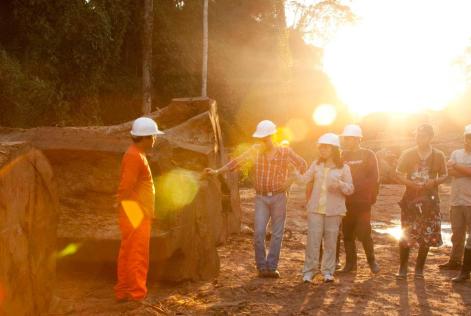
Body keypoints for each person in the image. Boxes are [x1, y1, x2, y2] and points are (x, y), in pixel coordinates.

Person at [205, 120, 307, 278]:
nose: (262, 141)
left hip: (279, 197)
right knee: (259, 233)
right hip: (261, 198)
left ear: (272, 136)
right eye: (260, 138)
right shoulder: (255, 150)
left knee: (277, 234)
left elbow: (302, 164)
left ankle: (271, 268)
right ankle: (261, 267)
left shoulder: (285, 152)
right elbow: (237, 162)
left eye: (265, 138)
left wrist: (289, 182)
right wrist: (217, 171)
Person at [114, 117, 164, 302]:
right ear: (145, 138)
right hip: (136, 211)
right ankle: (136, 294)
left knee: (128, 251)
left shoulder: (135, 153)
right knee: (138, 253)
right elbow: (127, 185)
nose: (154, 140)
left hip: (134, 209)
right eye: (153, 137)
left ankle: (123, 291)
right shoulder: (134, 156)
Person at [295, 133, 353, 283]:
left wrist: (339, 184)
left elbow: (350, 189)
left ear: (334, 149)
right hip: (315, 209)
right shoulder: (316, 164)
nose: (322, 150)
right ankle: (309, 271)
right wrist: (294, 172)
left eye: (325, 147)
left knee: (331, 241)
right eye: (321, 147)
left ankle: (327, 271)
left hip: (334, 210)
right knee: (312, 241)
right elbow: (303, 180)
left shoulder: (344, 168)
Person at [395, 124, 447, 280]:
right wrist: (410, 183)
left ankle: (419, 269)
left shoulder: (439, 155)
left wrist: (435, 181)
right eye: (417, 135)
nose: (418, 138)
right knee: (406, 231)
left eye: (422, 135)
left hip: (430, 199)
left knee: (427, 233)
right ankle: (403, 268)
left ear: (430, 137)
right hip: (410, 198)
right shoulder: (408, 153)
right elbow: (398, 173)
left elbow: (445, 174)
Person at [339, 124, 380, 273]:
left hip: (362, 200)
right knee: (347, 233)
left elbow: (374, 177)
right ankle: (350, 264)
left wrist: (357, 188)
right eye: (345, 138)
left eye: (349, 138)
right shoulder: (342, 155)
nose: (346, 141)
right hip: (345, 200)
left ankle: (372, 262)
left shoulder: (368, 154)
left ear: (357, 139)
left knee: (364, 232)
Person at [444, 124, 471, 282]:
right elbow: (449, 171)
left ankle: (465, 270)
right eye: (468, 138)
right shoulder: (456, 153)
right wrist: (464, 170)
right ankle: (455, 261)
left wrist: (458, 167)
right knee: (457, 233)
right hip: (456, 200)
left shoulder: (455, 158)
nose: (469, 141)